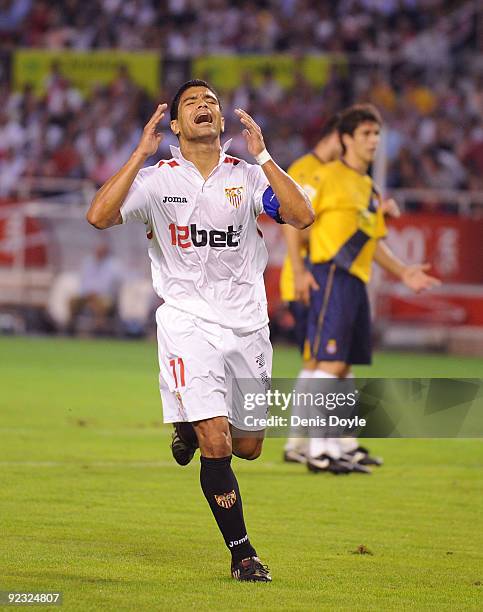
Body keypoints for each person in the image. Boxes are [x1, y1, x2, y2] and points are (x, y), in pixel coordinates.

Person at [86, 79, 313, 582]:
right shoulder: (157, 178)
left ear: (221, 119)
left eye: (210, 101)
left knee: (248, 445)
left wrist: (266, 157)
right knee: (218, 444)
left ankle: (185, 424)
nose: (203, 106)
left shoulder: (247, 176)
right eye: (192, 102)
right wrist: (140, 153)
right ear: (175, 125)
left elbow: (302, 217)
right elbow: (99, 216)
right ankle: (243, 553)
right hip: (187, 322)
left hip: (249, 323)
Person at [286, 104, 440, 474]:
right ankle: (317, 451)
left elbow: (373, 243)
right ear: (346, 139)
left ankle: (339, 447)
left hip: (356, 281)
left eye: (376, 134)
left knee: (343, 367)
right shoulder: (324, 177)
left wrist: (403, 271)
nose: (373, 141)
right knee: (329, 362)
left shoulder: (368, 187)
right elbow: (293, 220)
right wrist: (299, 269)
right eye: (366, 134)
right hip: (330, 276)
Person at [279, 114, 343, 466]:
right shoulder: (304, 169)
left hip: (320, 279)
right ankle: (305, 443)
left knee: (317, 359)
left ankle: (299, 443)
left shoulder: (331, 173)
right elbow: (295, 223)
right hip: (304, 278)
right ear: (336, 136)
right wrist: (301, 270)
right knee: (319, 360)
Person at [69, 242, 122, 336]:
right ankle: (71, 327)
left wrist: (95, 294)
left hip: (104, 296)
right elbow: (83, 281)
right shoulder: (88, 262)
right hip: (87, 295)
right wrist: (88, 293)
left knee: (101, 304)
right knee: (72, 301)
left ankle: (98, 330)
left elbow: (109, 285)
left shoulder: (113, 265)